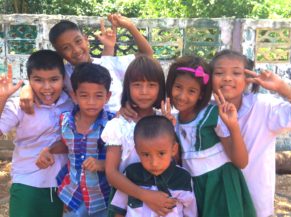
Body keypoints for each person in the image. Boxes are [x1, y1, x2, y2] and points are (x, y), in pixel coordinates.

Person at [210, 49, 291, 217]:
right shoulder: (204, 111)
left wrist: (283, 88)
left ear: (248, 80)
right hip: (215, 202)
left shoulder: (263, 107)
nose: (227, 78)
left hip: (256, 202)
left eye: (236, 73)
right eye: (219, 72)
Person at [165, 55, 256, 217]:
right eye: (178, 87)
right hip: (194, 188)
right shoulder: (173, 120)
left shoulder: (212, 115)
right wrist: (169, 131)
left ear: (201, 94)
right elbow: (177, 160)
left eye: (192, 91)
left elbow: (241, 162)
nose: (182, 95)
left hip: (221, 186)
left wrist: (233, 126)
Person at [20, 14, 153, 114]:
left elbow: (147, 54)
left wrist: (129, 26)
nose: (76, 50)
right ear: (60, 53)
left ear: (85, 39)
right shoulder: (65, 74)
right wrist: (26, 90)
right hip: (87, 135)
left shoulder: (108, 63)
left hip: (120, 126)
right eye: (66, 48)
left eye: (78, 41)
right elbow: (43, 79)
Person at [101, 54, 177, 217]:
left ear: (160, 88)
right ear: (127, 88)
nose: (144, 92)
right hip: (127, 204)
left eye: (151, 85)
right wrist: (145, 195)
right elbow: (111, 174)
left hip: (163, 204)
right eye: (137, 85)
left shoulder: (166, 122)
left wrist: (170, 129)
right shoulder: (119, 125)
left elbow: (176, 162)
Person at [0, 50, 73, 217]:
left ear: (64, 80)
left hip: (65, 185)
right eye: (38, 80)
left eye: (54, 80)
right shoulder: (19, 105)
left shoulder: (71, 103)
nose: (47, 87)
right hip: (27, 181)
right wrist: (2, 98)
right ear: (29, 81)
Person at [36, 62, 115, 217]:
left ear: (107, 97)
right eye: (84, 95)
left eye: (98, 96)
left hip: (103, 199)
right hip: (72, 197)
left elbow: (122, 159)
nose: (91, 102)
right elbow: (67, 145)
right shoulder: (65, 121)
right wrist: (49, 150)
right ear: (74, 96)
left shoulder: (113, 125)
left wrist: (102, 164)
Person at [110, 115, 197, 217]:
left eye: (161, 153)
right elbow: (119, 209)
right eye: (146, 155)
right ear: (137, 151)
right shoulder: (131, 174)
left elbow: (190, 212)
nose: (154, 163)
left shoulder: (182, 178)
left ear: (173, 149)